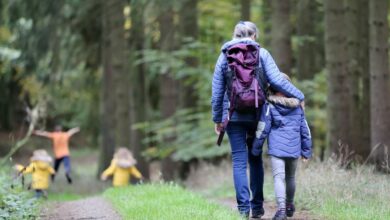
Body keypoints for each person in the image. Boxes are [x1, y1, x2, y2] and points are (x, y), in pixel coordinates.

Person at [211, 21, 305, 218]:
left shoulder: (224, 56)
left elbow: (217, 91)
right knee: (255, 159)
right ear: (254, 36)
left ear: (234, 35)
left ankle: (243, 210)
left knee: (238, 161)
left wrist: (217, 119)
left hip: (233, 115)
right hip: (258, 114)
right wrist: (299, 96)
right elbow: (278, 80)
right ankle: (257, 208)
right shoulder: (262, 54)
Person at [251, 73, 312, 220]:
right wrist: (306, 151)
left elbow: (263, 127)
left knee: (279, 177)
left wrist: (256, 147)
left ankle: (281, 210)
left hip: (277, 148)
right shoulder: (298, 107)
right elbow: (305, 130)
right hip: (293, 147)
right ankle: (290, 204)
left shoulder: (269, 105)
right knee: (290, 177)